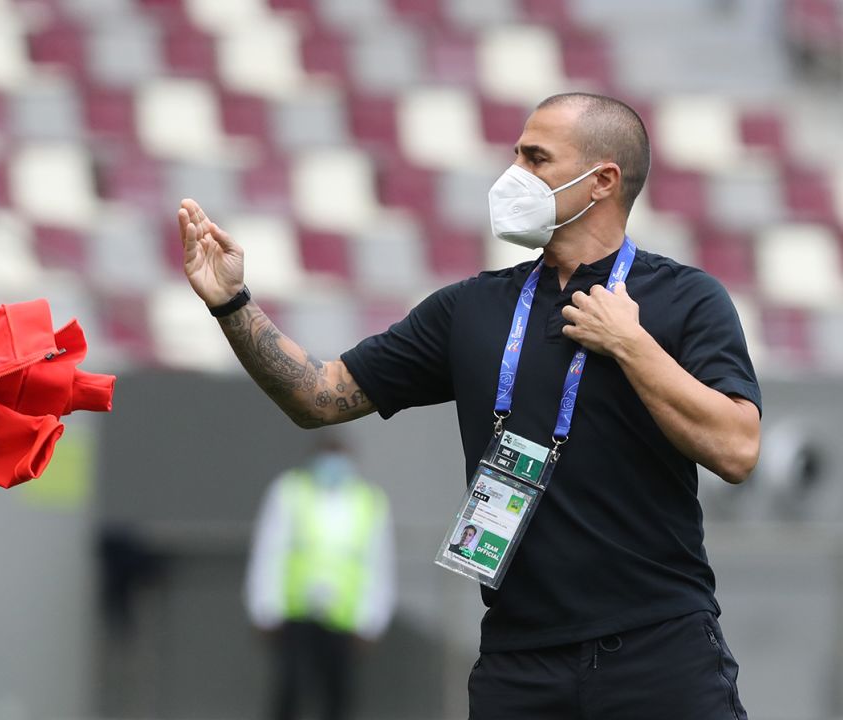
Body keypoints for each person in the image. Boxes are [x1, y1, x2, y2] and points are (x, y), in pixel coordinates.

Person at [178, 92, 760, 719]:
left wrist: (631, 345)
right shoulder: (471, 309)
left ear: (603, 181)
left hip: (658, 649)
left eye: (536, 159)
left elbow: (737, 447)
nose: (514, 175)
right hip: (519, 661)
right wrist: (232, 304)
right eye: (515, 155)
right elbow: (318, 396)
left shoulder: (685, 299)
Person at [244, 437, 396, 720]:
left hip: (343, 619)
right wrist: (264, 607)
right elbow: (269, 551)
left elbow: (378, 563)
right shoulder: (289, 491)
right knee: (290, 692)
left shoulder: (369, 501)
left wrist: (372, 620)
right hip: (295, 615)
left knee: (338, 697)